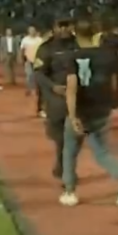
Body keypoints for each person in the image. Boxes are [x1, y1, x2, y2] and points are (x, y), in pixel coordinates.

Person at [59, 20, 118, 207]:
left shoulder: (72, 56)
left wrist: (72, 115)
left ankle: (70, 191)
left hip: (82, 108)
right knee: (101, 152)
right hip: (101, 108)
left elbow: (72, 88)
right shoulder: (107, 55)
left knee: (69, 151)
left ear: (76, 34)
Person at [34, 19, 79, 184]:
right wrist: (53, 87)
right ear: (54, 28)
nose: (65, 29)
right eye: (61, 25)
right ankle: (64, 169)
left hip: (79, 97)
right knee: (61, 139)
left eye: (68, 25)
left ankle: (65, 169)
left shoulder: (78, 44)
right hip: (57, 100)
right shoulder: (47, 48)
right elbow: (39, 74)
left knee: (75, 138)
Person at [20, 26, 43, 98]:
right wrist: (22, 59)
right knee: (29, 75)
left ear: (35, 31)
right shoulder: (25, 40)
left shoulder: (39, 40)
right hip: (28, 60)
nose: (32, 32)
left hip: (38, 60)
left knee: (38, 75)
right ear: (28, 31)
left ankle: (38, 89)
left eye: (33, 30)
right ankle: (31, 89)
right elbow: (22, 50)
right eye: (30, 30)